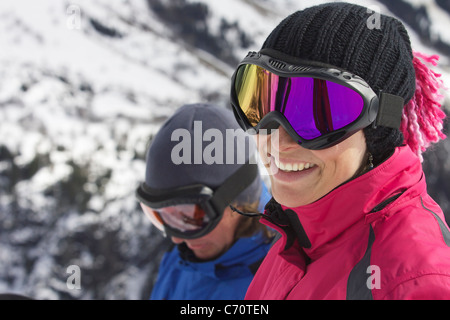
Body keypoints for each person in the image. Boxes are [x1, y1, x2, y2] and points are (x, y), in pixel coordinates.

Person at [229, 2, 450, 300]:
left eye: (317, 114)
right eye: (261, 103)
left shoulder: (417, 285)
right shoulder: (298, 237)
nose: (276, 141)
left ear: (379, 127)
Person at [135, 103, 273, 300]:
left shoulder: (282, 284)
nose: (176, 239)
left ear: (238, 199)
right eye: (162, 215)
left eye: (191, 216)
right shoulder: (181, 258)